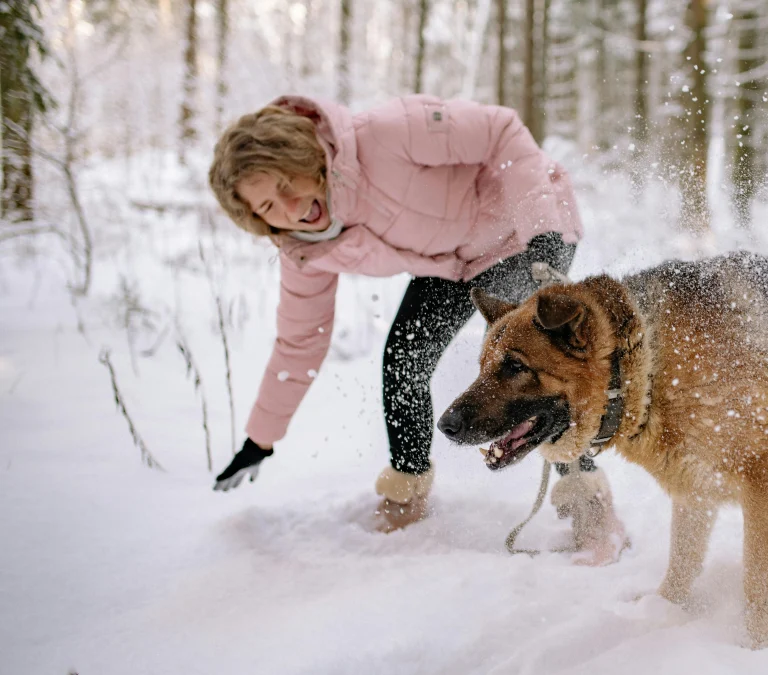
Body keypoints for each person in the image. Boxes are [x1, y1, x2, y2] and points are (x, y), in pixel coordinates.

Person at [206, 94, 628, 563]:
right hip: (453, 261)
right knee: (404, 360)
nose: (289, 206)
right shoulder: (306, 247)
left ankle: (590, 505)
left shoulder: (384, 135)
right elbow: (300, 341)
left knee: (545, 365)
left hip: (522, 230)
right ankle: (406, 493)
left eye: (288, 182)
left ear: (304, 154)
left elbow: (501, 131)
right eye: (268, 205)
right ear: (257, 219)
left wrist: (542, 231)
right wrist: (259, 439)